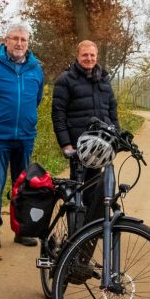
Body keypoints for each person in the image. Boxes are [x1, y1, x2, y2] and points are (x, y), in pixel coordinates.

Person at [0, 24, 45, 248]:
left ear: (28, 43)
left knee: (23, 186)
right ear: (6, 41)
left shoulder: (36, 69)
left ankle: (21, 230)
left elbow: (37, 99)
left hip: (25, 137)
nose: (19, 43)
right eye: (15, 39)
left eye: (23, 39)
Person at [51, 40, 119, 221]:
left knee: (96, 187)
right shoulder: (66, 80)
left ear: (96, 57)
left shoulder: (103, 79)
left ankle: (92, 225)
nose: (89, 58)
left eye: (92, 55)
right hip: (78, 145)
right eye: (85, 55)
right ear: (77, 56)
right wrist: (65, 144)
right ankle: (75, 227)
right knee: (77, 189)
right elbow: (58, 114)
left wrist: (116, 137)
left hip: (101, 145)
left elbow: (112, 110)